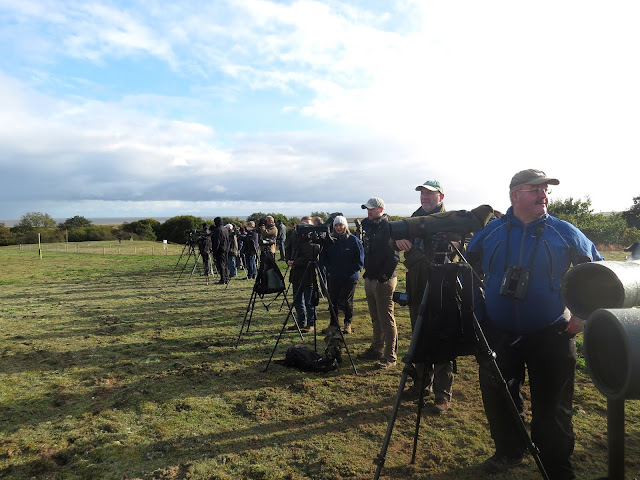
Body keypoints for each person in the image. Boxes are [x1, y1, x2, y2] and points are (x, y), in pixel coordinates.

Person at [466, 169, 604, 478]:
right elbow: (467, 271)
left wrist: (582, 313)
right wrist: (479, 314)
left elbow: (596, 272)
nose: (543, 194)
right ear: (514, 194)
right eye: (535, 189)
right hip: (498, 333)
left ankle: (556, 466)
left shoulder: (564, 231)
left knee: (554, 407)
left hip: (553, 333)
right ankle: (509, 451)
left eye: (546, 189)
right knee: (501, 398)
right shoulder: (490, 232)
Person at [395, 180, 455, 414]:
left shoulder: (450, 218)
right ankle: (421, 385)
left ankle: (442, 395)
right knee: (418, 337)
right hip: (417, 285)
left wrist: (453, 244)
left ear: (441, 196)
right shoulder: (414, 217)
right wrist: (397, 240)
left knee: (441, 340)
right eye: (422, 193)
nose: (425, 197)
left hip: (442, 287)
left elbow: (462, 244)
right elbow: (394, 238)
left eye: (430, 194)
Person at [358, 197, 401, 369]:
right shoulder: (369, 227)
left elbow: (394, 255)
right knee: (375, 317)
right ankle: (376, 348)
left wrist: (384, 275)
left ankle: (390, 355)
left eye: (372, 209)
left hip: (384, 279)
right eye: (367, 209)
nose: (369, 211)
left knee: (386, 318)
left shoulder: (389, 228)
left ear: (381, 209)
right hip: (371, 277)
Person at [321, 215, 364, 334]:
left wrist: (350, 272)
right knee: (332, 301)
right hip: (334, 276)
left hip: (350, 277)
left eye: (341, 225)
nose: (339, 227)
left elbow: (360, 260)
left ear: (345, 226)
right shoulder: (330, 241)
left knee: (346, 301)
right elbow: (324, 257)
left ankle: (347, 323)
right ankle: (333, 324)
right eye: (336, 225)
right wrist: (330, 269)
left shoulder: (353, 240)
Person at [286, 216, 319, 333]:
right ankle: (301, 321)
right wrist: (288, 260)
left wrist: (295, 262)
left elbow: (310, 256)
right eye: (303, 224)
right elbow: (288, 249)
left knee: (309, 301)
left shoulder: (313, 238)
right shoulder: (295, 236)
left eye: (308, 225)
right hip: (295, 273)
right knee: (297, 300)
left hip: (308, 274)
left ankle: (311, 323)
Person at [211, 216, 230, 284]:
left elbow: (217, 242)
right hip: (226, 248)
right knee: (225, 264)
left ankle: (223, 279)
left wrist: (214, 251)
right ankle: (226, 277)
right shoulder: (225, 229)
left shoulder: (217, 230)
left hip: (220, 249)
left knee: (221, 264)